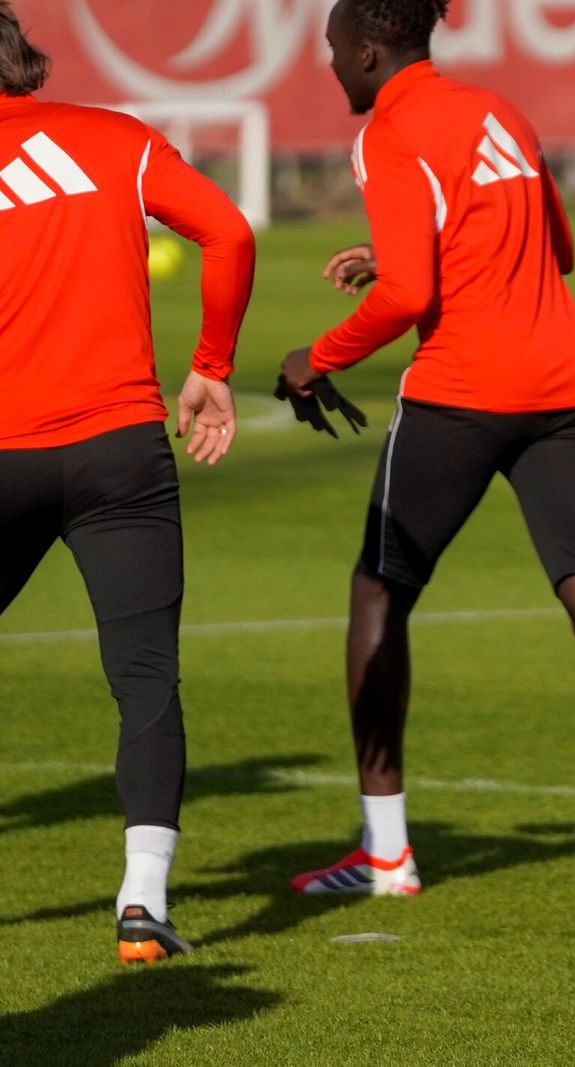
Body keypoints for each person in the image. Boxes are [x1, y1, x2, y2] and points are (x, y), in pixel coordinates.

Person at [280, 0, 575, 903]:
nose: (328, 65)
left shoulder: (388, 133)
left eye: (332, 49)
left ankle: (387, 852)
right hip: (566, 389)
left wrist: (312, 359)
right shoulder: (499, 111)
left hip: (461, 394)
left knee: (379, 591)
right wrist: (424, 248)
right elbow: (554, 247)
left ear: (367, 50)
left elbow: (407, 295)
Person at [0, 0, 256, 962]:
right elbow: (228, 232)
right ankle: (142, 905)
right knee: (146, 680)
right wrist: (214, 364)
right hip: (120, 453)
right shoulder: (114, 138)